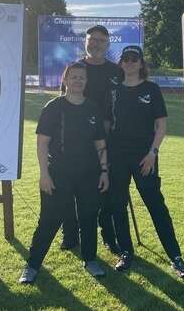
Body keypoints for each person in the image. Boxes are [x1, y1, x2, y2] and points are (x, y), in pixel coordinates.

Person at [19, 61, 110, 283]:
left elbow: (100, 144)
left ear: (86, 82)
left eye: (82, 77)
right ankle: (32, 265)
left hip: (89, 174)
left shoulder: (92, 109)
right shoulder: (53, 107)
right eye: (74, 77)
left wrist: (104, 171)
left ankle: (90, 260)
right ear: (65, 80)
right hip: (58, 173)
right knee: (50, 219)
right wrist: (44, 174)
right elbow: (42, 144)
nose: (78, 81)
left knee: (88, 217)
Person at [106, 45, 184, 279]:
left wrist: (152, 153)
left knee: (156, 205)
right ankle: (126, 252)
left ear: (142, 63)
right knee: (118, 206)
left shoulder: (151, 89)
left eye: (135, 59)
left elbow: (161, 125)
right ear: (121, 63)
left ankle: (176, 256)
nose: (130, 62)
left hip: (145, 157)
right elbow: (106, 122)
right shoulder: (113, 90)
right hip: (117, 156)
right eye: (126, 59)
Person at [59, 24, 122, 255]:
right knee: (70, 189)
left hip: (106, 140)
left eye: (101, 41)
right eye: (92, 39)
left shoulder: (116, 71)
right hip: (75, 141)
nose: (96, 44)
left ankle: (108, 235)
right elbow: (62, 105)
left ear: (107, 44)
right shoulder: (75, 68)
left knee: (105, 191)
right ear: (85, 41)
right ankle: (70, 234)